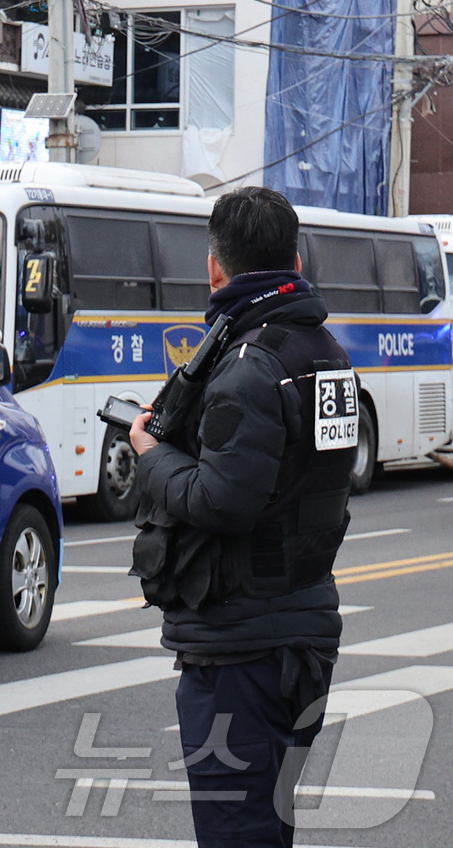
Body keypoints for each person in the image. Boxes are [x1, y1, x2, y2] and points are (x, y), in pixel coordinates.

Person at [127, 186, 356, 848]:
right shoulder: (326, 354)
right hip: (303, 631)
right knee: (267, 831)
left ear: (215, 268)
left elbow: (221, 499)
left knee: (239, 835)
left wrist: (149, 455)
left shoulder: (250, 366)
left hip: (242, 649)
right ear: (295, 258)